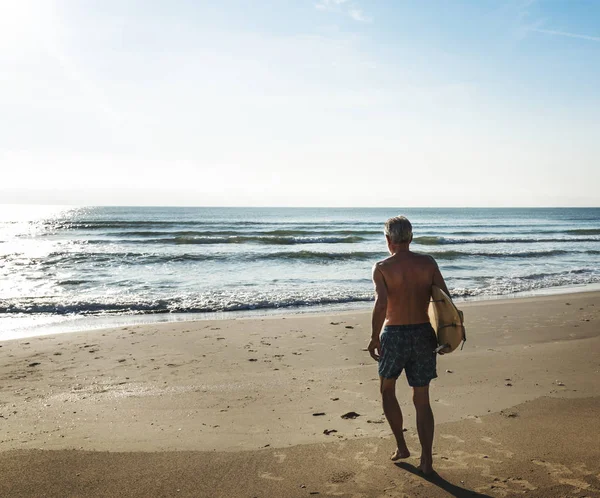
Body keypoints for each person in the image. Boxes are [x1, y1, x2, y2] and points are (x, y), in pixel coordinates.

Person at [367, 215, 451, 475]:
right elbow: (444, 300)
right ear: (411, 237)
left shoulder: (382, 267)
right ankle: (426, 460)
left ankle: (402, 446)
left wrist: (373, 337)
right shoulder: (428, 263)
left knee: (387, 389)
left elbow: (381, 304)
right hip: (423, 334)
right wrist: (448, 335)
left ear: (387, 239)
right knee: (422, 399)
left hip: (394, 334)